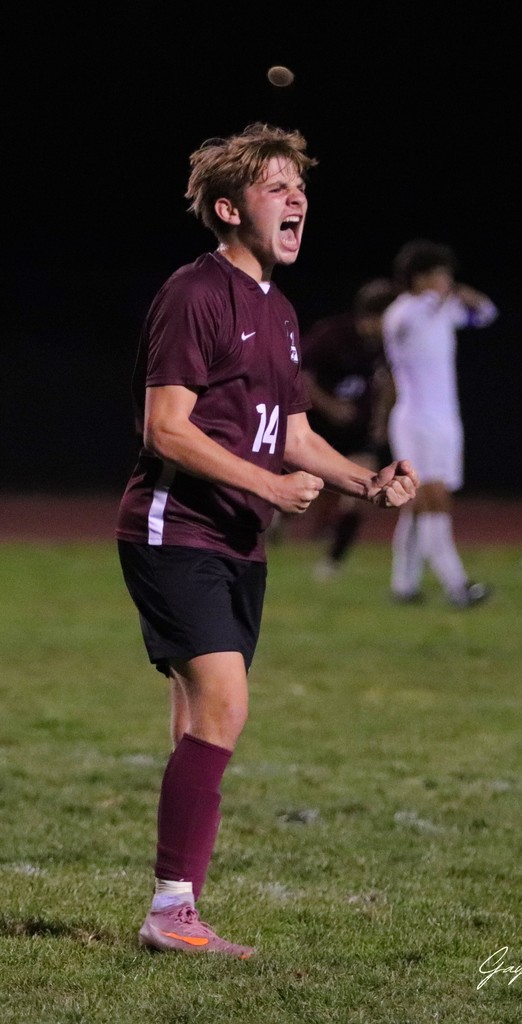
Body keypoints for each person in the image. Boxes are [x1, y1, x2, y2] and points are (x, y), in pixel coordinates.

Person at [115, 122, 418, 959]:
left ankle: (176, 907)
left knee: (200, 721)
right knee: (224, 706)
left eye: (299, 186)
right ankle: (171, 909)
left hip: (236, 541)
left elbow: (288, 430)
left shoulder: (280, 311)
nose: (296, 198)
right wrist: (272, 490)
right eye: (274, 186)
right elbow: (165, 430)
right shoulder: (195, 293)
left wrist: (365, 481)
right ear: (226, 208)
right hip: (174, 528)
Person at [382, 239, 499, 607]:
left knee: (417, 505)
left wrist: (465, 297)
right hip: (416, 420)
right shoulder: (403, 312)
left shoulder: (441, 309)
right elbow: (409, 325)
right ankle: (457, 586)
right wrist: (443, 298)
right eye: (439, 273)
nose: (447, 280)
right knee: (434, 498)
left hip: (445, 418)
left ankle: (404, 584)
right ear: (419, 277)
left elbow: (487, 314)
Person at [299, 277, 398, 580]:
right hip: (316, 428)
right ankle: (273, 534)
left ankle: (333, 562)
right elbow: (300, 375)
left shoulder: (389, 343)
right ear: (373, 316)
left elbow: (390, 382)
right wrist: (330, 407)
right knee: (296, 499)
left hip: (356, 432)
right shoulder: (331, 334)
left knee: (364, 488)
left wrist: (381, 422)